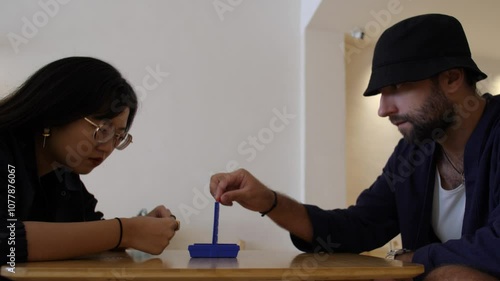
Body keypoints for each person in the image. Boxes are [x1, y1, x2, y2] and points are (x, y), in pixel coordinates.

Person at [210, 14, 500, 281]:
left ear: (451, 78)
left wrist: (417, 260)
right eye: (381, 93)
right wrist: (269, 201)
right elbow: (358, 226)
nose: (383, 109)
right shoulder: (413, 154)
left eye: (397, 88)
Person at [0, 57, 179, 264]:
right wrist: (126, 231)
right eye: (102, 130)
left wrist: (139, 227)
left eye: (118, 136)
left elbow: (86, 229)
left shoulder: (61, 174)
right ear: (54, 111)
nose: (107, 147)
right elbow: (6, 240)